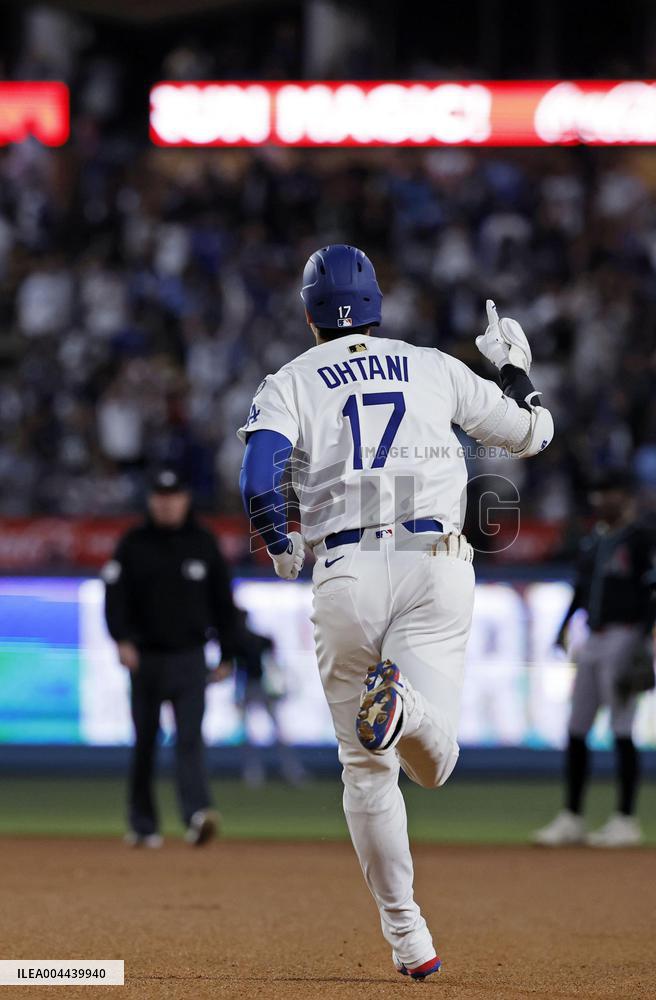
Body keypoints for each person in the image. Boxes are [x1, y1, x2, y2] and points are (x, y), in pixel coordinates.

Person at [237, 244, 554, 980]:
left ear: (311, 313)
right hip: (433, 562)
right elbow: (533, 434)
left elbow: (259, 474)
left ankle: (409, 939)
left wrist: (278, 539)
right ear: (376, 304)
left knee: (365, 768)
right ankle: (403, 708)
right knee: (431, 767)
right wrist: (513, 371)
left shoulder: (289, 380)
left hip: (344, 570)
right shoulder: (432, 365)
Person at [104, 467, 237, 848]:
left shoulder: (203, 542)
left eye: (173, 496)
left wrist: (227, 653)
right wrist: (122, 640)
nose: (165, 504)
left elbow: (223, 604)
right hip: (145, 658)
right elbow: (115, 597)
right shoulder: (132, 543)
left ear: (185, 500)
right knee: (145, 741)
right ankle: (143, 823)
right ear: (151, 500)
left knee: (189, 740)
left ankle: (197, 815)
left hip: (190, 657)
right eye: (159, 497)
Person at [532, 472, 656, 848]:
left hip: (625, 635)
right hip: (592, 636)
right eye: (600, 493)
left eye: (612, 493)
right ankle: (571, 817)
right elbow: (580, 589)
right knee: (577, 728)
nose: (604, 500)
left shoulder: (639, 539)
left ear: (627, 498)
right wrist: (563, 626)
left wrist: (644, 637)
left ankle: (626, 819)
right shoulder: (595, 539)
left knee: (622, 729)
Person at [232, 608, 307, 786]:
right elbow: (238, 672)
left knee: (277, 732)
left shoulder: (259, 640)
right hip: (250, 687)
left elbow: (274, 666)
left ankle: (292, 771)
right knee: (249, 735)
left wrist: (280, 687)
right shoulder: (243, 642)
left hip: (262, 687)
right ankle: (254, 773)